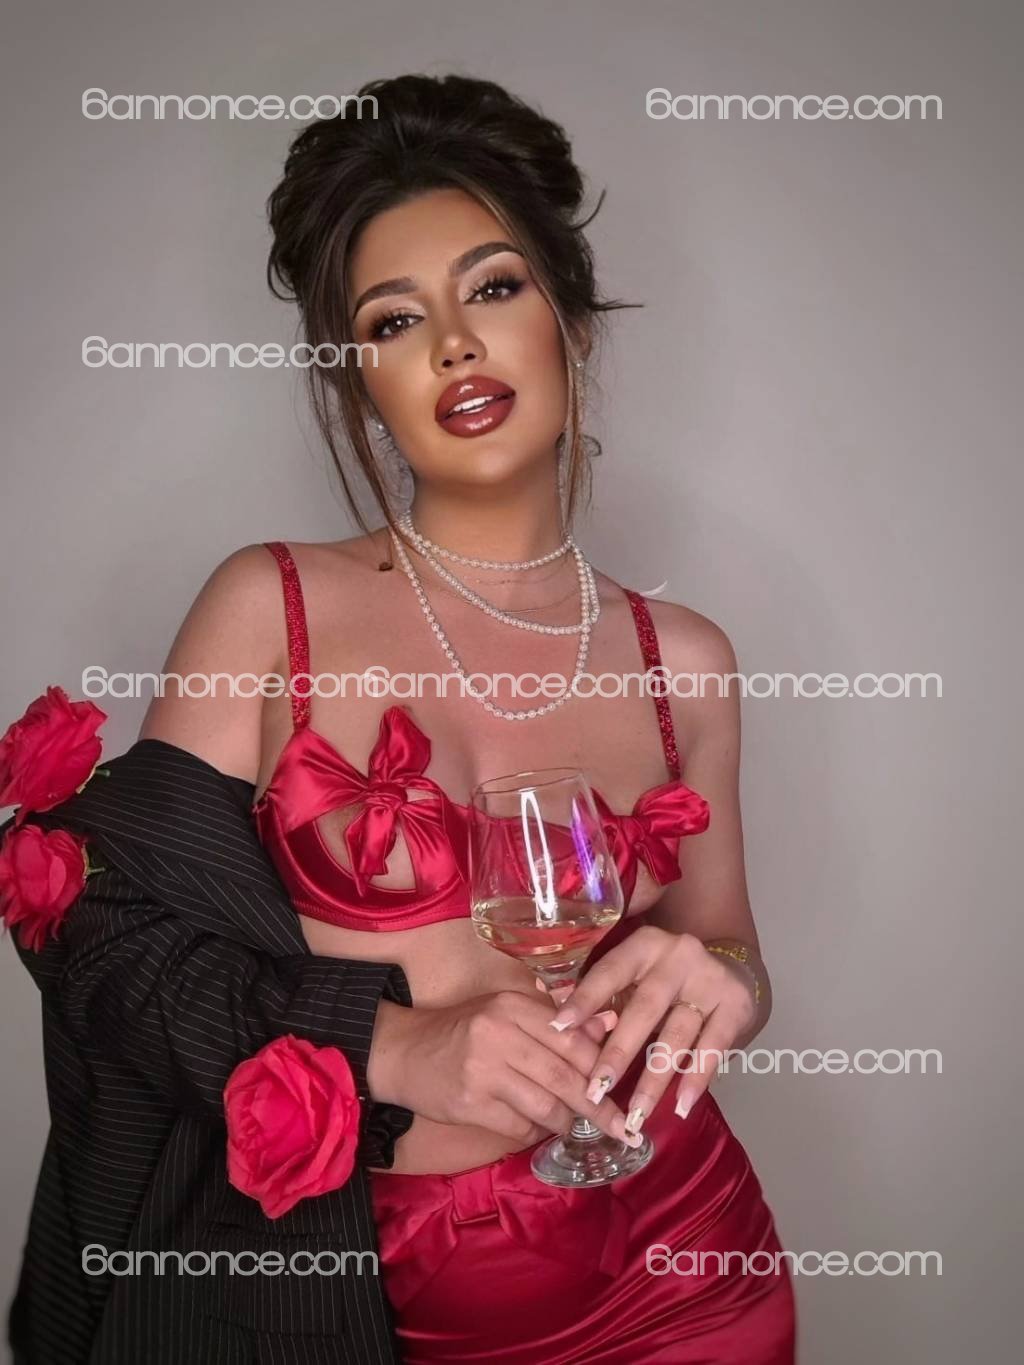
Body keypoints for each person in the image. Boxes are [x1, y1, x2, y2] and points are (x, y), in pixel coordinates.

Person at [7, 72, 796, 1363]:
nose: (454, 345)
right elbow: (102, 941)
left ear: (572, 320)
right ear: (358, 378)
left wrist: (725, 986)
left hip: (689, 1261)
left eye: (496, 287)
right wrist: (390, 1045)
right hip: (380, 1301)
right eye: (394, 318)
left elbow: (732, 948)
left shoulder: (685, 660)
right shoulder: (271, 607)